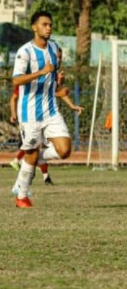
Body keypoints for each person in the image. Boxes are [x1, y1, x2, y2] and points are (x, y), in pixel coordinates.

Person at [11, 11, 77, 208]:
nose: (48, 28)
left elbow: (52, 77)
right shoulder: (25, 52)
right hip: (29, 112)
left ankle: (34, 157)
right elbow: (16, 80)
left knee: (65, 150)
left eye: (50, 25)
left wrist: (59, 84)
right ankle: (22, 197)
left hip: (51, 110)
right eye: (44, 24)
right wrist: (40, 72)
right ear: (34, 27)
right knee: (31, 154)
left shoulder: (54, 48)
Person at [9, 66, 84, 189]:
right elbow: (23, 96)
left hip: (49, 117)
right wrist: (13, 113)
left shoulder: (52, 74)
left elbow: (57, 91)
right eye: (57, 57)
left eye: (59, 58)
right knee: (33, 149)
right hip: (30, 118)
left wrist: (71, 105)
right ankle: (24, 187)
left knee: (62, 150)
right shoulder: (28, 77)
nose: (58, 60)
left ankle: (27, 163)